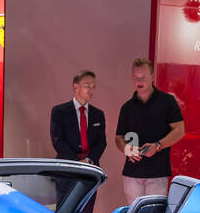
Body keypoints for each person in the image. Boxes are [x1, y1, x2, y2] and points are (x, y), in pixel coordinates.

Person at [114, 57, 184, 200]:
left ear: (152, 76)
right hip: (132, 174)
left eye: (143, 77)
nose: (139, 81)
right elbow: (119, 137)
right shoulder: (127, 107)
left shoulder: (167, 102)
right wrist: (127, 149)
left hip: (157, 173)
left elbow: (179, 130)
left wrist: (158, 145)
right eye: (136, 77)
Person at [50, 70, 106, 166]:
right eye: (87, 86)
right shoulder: (59, 111)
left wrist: (88, 160)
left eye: (93, 87)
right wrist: (76, 161)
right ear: (75, 87)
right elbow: (57, 141)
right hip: (66, 166)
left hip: (91, 167)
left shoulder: (98, 114)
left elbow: (101, 143)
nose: (91, 90)